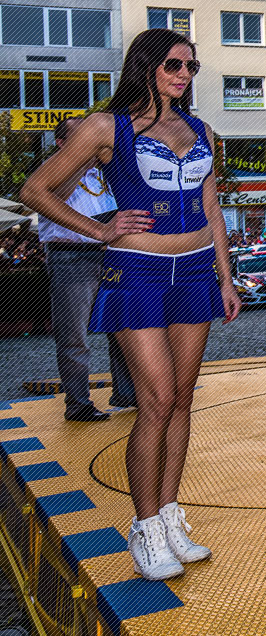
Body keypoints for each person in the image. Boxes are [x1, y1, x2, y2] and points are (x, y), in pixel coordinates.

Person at [20, 29, 242, 582]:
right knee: (156, 399)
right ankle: (143, 528)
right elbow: (36, 190)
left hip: (195, 271)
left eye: (191, 66)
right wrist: (100, 228)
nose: (184, 74)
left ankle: (169, 517)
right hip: (136, 271)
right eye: (174, 64)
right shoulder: (106, 127)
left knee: (183, 399)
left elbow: (212, 206)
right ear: (146, 65)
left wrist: (226, 276)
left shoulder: (200, 130)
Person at [35, 117, 137, 420]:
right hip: (71, 257)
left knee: (122, 325)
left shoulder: (103, 171)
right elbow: (54, 196)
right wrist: (81, 161)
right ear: (61, 143)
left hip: (109, 254)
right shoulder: (53, 169)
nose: (91, 139)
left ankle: (127, 392)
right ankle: (78, 404)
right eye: (81, 136)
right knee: (74, 334)